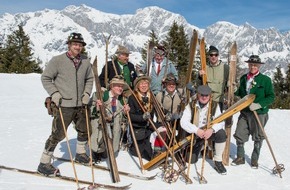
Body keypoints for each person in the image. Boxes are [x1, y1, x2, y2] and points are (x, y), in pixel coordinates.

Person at [38, 32, 94, 176]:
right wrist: (55, 94)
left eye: (80, 44)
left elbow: (89, 79)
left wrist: (87, 94)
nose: (77, 47)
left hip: (81, 104)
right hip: (64, 104)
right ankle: (44, 163)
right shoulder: (58, 60)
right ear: (69, 45)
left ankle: (81, 154)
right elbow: (46, 78)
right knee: (58, 134)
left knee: (85, 129)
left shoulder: (85, 61)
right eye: (75, 44)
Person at [231, 55, 275, 168]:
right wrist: (234, 90)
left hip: (259, 113)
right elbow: (240, 94)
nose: (253, 66)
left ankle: (255, 159)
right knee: (240, 133)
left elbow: (271, 97)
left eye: (255, 65)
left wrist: (259, 105)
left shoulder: (265, 80)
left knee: (258, 136)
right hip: (245, 112)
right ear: (248, 65)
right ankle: (240, 157)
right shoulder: (243, 78)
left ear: (259, 66)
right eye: (251, 64)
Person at [180, 85, 227, 175]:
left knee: (221, 133)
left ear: (210, 96)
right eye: (202, 95)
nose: (204, 97)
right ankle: (202, 146)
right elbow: (183, 122)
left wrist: (212, 130)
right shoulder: (191, 105)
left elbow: (221, 121)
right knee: (190, 160)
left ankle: (218, 161)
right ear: (198, 95)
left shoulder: (214, 105)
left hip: (209, 133)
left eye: (207, 95)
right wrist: (197, 130)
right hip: (196, 134)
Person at [90, 75, 130, 163]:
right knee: (98, 142)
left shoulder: (122, 100)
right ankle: (95, 151)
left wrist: (125, 113)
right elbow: (89, 111)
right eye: (118, 86)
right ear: (111, 86)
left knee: (106, 153)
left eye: (122, 86)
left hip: (113, 128)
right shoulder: (101, 95)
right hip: (99, 126)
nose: (120, 88)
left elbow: (123, 119)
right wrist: (97, 107)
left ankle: (108, 149)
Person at [127, 75, 155, 161]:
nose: (144, 86)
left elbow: (158, 109)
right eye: (141, 83)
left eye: (146, 83)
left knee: (148, 153)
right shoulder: (132, 98)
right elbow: (130, 116)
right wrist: (142, 117)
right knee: (138, 154)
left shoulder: (152, 97)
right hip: (138, 128)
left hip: (148, 128)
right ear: (137, 86)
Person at [199, 45, 229, 114]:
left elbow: (228, 85)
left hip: (219, 102)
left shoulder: (225, 68)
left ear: (218, 56)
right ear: (208, 56)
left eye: (216, 55)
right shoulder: (204, 68)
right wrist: (199, 77)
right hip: (206, 101)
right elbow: (199, 85)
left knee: (217, 123)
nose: (213, 57)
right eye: (211, 55)